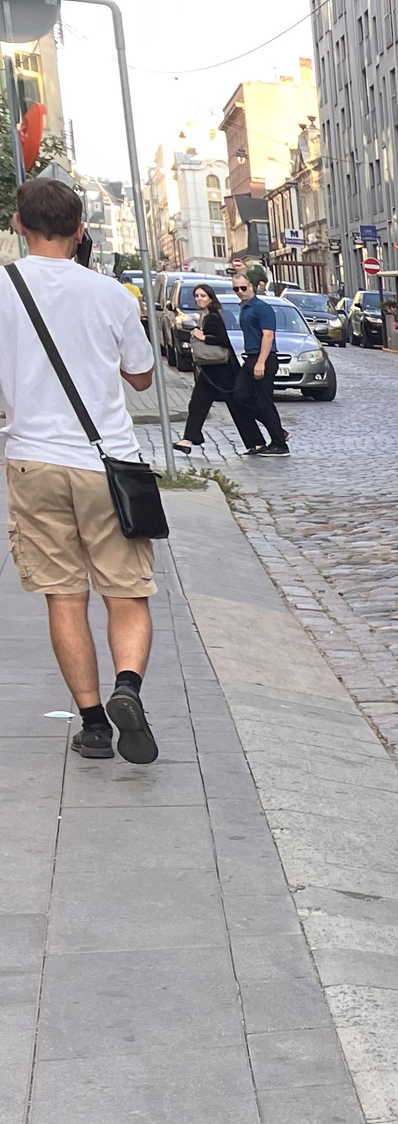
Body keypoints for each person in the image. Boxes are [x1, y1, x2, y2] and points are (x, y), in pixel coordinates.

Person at [0, 176, 160, 763]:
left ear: (19, 224)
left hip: (31, 462)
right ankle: (128, 687)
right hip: (107, 462)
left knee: (63, 597)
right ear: (81, 230)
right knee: (126, 591)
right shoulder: (114, 295)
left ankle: (92, 724)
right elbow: (142, 376)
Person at [171, 283, 262, 454]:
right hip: (211, 370)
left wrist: (202, 336)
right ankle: (189, 439)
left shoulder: (213, 316)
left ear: (211, 297)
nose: (199, 299)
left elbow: (222, 340)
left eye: (203, 296)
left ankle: (270, 434)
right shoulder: (205, 315)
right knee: (198, 404)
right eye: (197, 296)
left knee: (239, 406)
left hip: (222, 370)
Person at [231, 263, 290, 456]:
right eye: (236, 288)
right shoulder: (245, 308)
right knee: (239, 396)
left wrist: (261, 362)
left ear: (252, 287)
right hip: (250, 358)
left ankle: (280, 444)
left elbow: (268, 336)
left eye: (243, 288)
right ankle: (277, 431)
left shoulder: (261, 308)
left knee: (264, 401)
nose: (239, 292)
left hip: (263, 358)